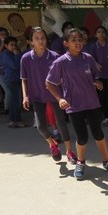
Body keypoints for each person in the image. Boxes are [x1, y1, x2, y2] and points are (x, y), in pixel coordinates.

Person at [46, 28, 108, 180]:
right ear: (66, 43)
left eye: (80, 39)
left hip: (92, 103)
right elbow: (49, 84)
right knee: (82, 138)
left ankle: (107, 161)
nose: (78, 43)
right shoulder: (61, 62)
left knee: (98, 134)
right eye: (74, 40)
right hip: (74, 105)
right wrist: (60, 99)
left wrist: (96, 82)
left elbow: (94, 76)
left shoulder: (88, 58)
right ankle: (81, 162)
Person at [20, 27, 77, 164]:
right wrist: (25, 96)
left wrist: (64, 95)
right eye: (37, 38)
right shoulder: (26, 58)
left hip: (55, 95)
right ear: (31, 41)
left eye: (43, 38)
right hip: (37, 95)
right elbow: (24, 79)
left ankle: (69, 151)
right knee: (41, 127)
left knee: (61, 123)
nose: (40, 41)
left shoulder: (54, 57)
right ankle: (52, 144)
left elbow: (63, 77)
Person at [0, 36, 26, 127]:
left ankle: (15, 120)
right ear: (6, 45)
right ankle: (14, 120)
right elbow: (14, 65)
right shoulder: (6, 55)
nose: (14, 47)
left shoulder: (13, 53)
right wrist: (17, 55)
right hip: (11, 79)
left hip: (16, 79)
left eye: (15, 45)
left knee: (16, 100)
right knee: (15, 101)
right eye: (11, 45)